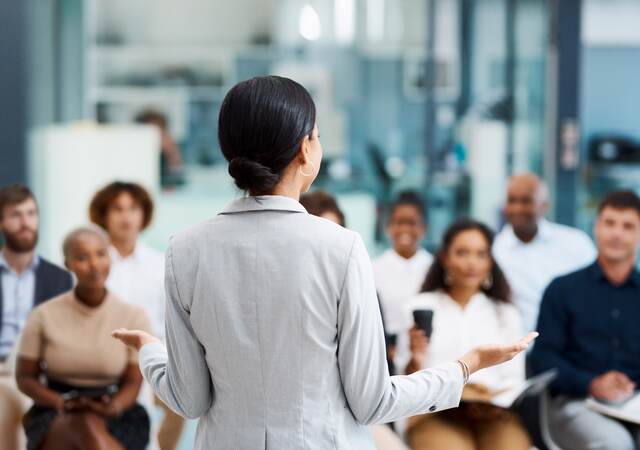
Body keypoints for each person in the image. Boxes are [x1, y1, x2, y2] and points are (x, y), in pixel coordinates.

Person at [112, 75, 536, 450]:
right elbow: (373, 401)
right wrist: (467, 365)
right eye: (316, 135)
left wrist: (151, 352)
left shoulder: (184, 250)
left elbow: (189, 400)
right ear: (304, 150)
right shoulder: (342, 249)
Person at [15, 225, 152, 450]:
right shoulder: (43, 315)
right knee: (83, 424)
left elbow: (133, 381)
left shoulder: (133, 316)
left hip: (117, 413)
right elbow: (25, 377)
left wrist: (113, 407)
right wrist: (60, 402)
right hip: (54, 410)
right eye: (82, 257)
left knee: (89, 426)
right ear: (68, 264)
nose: (94, 265)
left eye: (100, 254)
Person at [399, 219, 530, 450]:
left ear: (490, 261)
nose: (472, 262)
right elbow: (402, 379)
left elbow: (513, 379)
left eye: (481, 254)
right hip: (435, 411)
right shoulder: (419, 307)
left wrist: (488, 400)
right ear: (445, 258)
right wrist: (415, 361)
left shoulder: (505, 313)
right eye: (462, 253)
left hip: (492, 411)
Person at [531, 190, 640, 450]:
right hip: (576, 403)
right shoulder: (562, 290)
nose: (617, 233)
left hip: (634, 403)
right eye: (610, 223)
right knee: (616, 444)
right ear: (596, 227)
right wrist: (592, 383)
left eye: (628, 226)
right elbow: (543, 359)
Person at [89, 181, 185, 450]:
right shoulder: (91, 263)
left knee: (180, 406)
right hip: (102, 365)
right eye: (117, 209)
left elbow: (170, 324)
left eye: (133, 208)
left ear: (143, 214)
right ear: (104, 215)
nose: (126, 216)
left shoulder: (160, 264)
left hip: (151, 362)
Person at [0, 185, 72, 450]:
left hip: (39, 375)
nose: (25, 222)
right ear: (1, 222)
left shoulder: (60, 278)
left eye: (31, 214)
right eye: (16, 215)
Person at [493, 172, 596, 333]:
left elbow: (595, 292)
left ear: (545, 205)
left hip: (570, 348)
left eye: (526, 201)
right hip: (516, 351)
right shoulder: (494, 251)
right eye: (512, 200)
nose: (517, 208)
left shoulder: (576, 244)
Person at [373, 191, 433, 340]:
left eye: (412, 223)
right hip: (387, 355)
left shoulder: (434, 267)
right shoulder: (373, 269)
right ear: (388, 227)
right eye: (399, 223)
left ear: (423, 228)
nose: (405, 229)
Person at [135, 109, 185, 189]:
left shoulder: (169, 147)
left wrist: (171, 151)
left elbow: (178, 174)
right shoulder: (134, 154)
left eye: (158, 131)